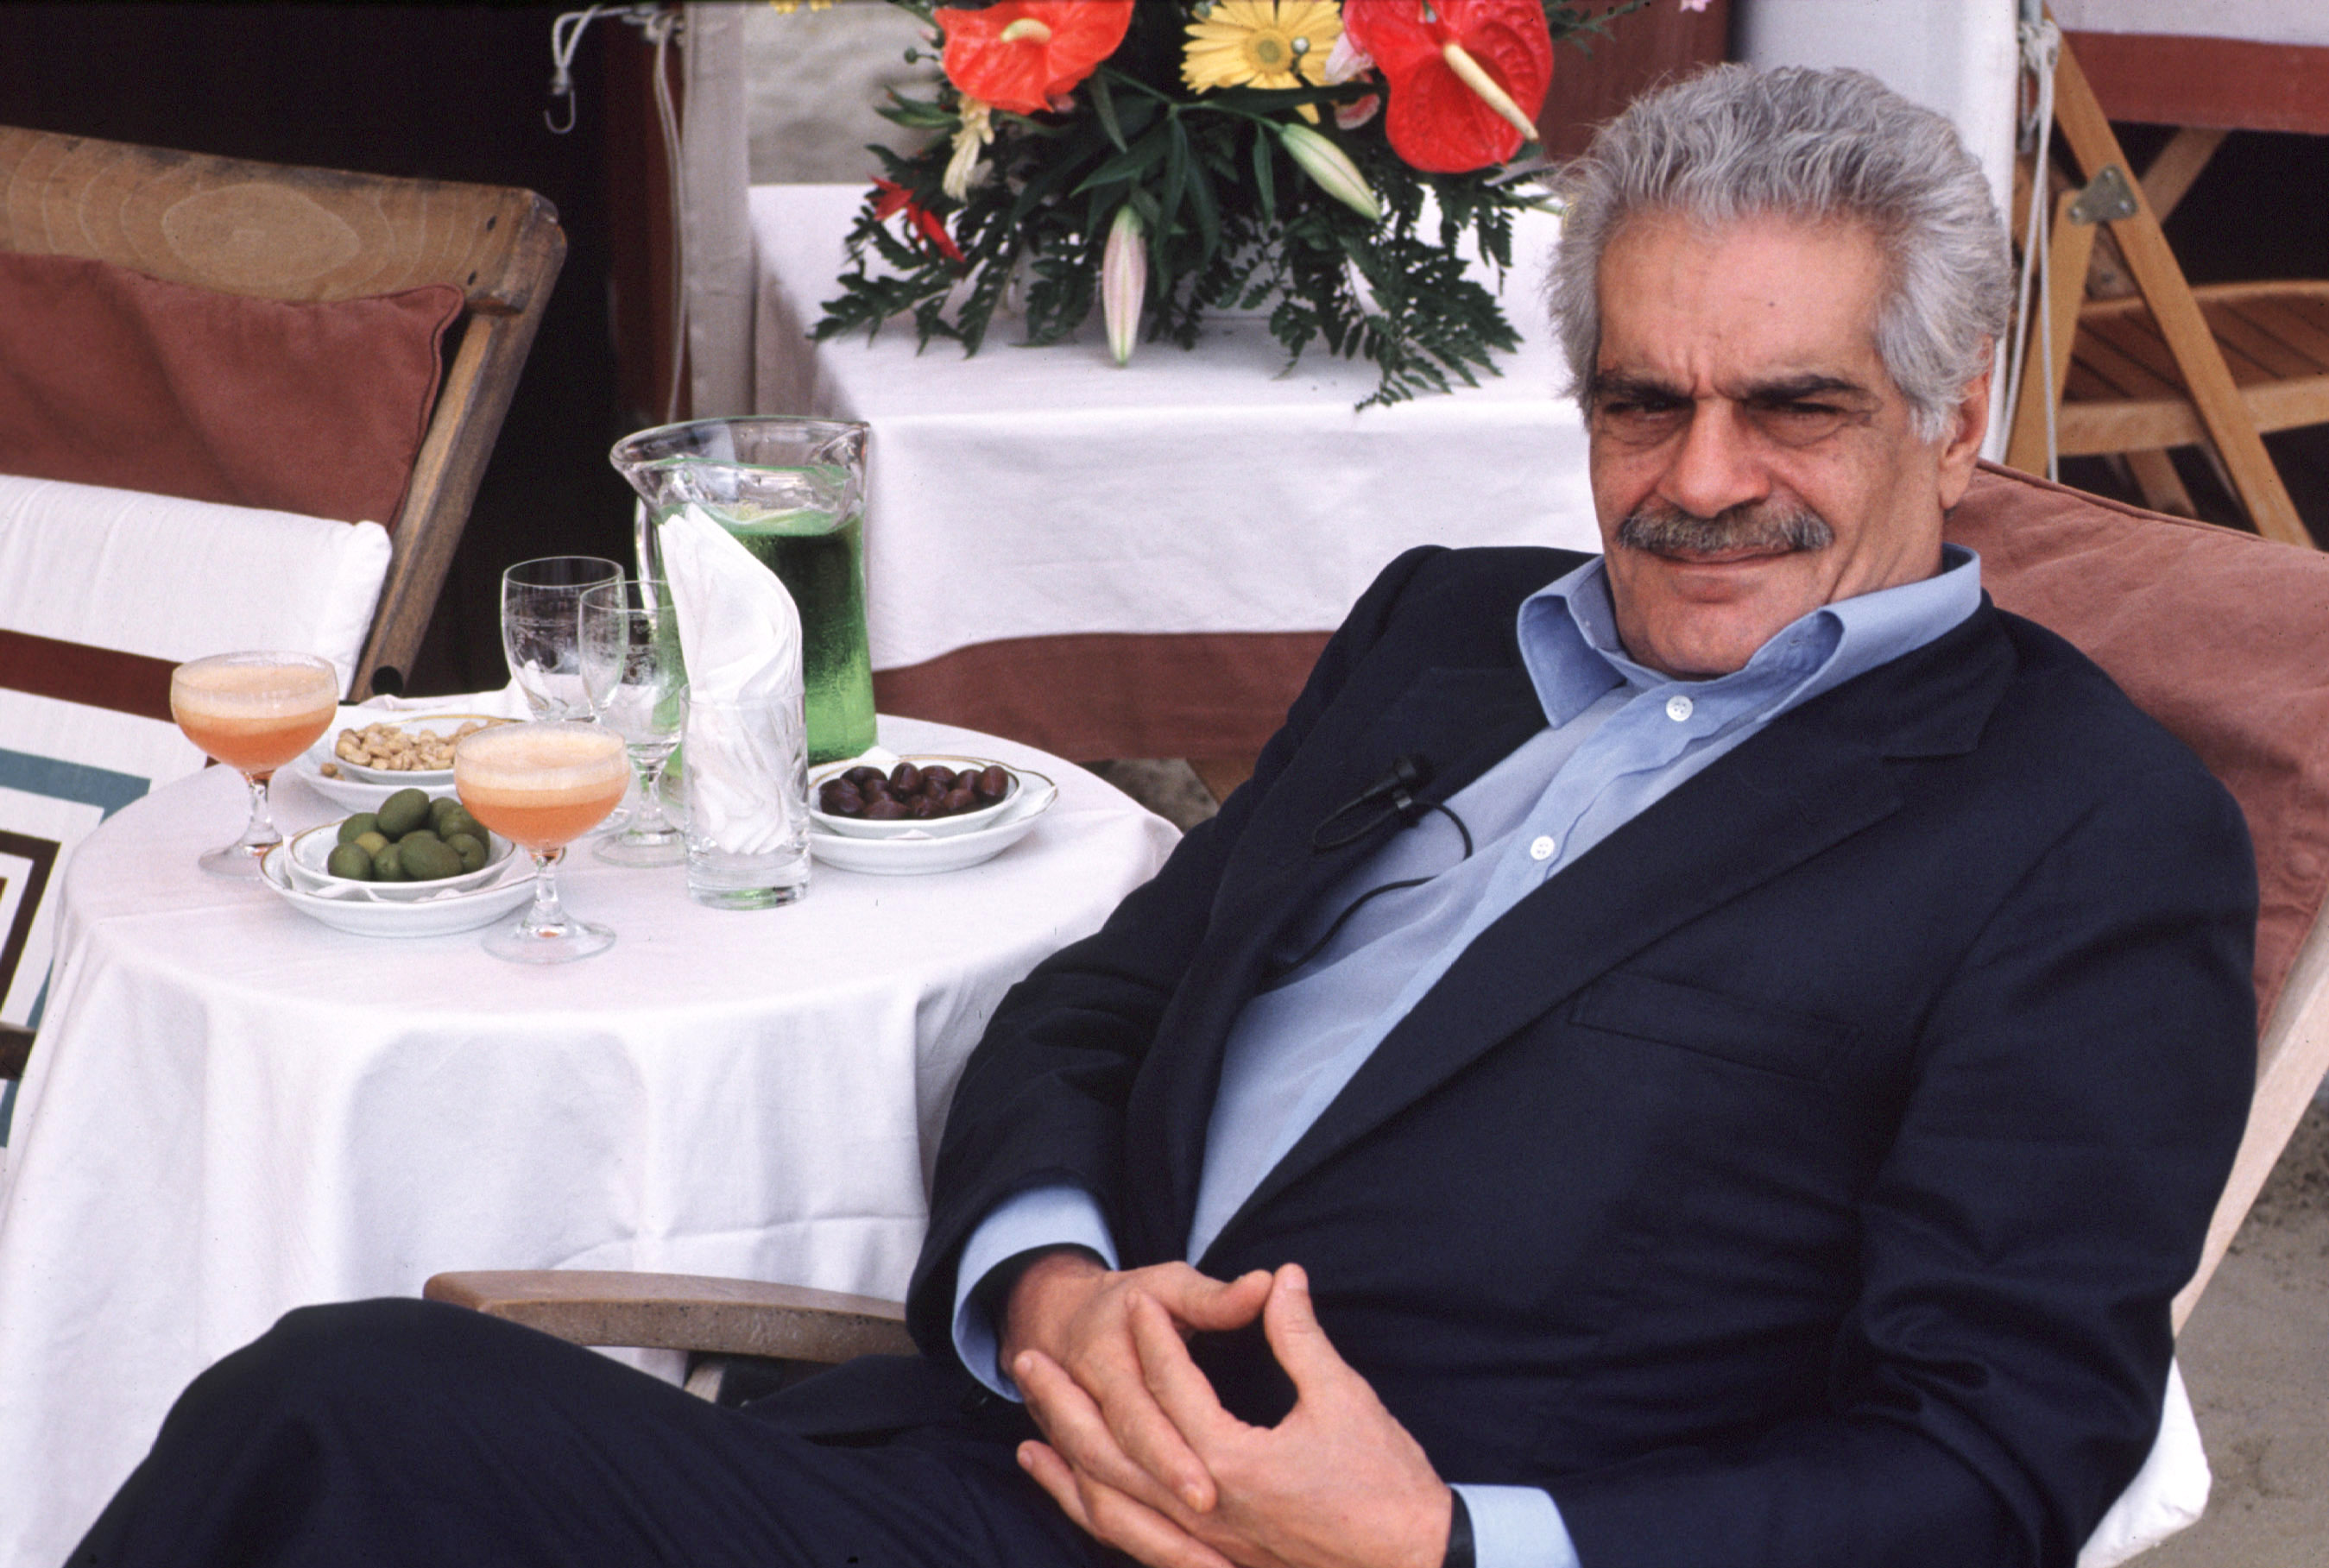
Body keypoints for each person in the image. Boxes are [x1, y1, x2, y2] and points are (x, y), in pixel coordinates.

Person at [73, 65, 2253, 1568]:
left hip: (1382, 1538)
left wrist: (1443, 1544)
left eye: (1791, 407)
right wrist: (1041, 1289)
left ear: (1946, 414)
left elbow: (1994, 1459)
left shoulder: (2078, 834)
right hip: (998, 1458)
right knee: (340, 1429)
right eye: (1636, 401)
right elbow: (1100, 1006)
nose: (1697, 481)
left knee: (348, 1426)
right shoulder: (1448, 629)